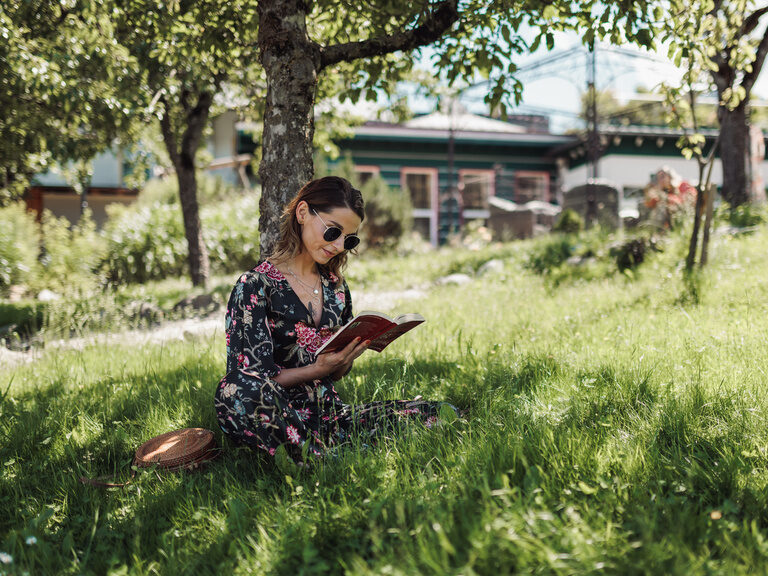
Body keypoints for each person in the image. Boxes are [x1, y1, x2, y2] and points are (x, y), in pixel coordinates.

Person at [214, 176, 455, 460]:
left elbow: (336, 372)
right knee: (234, 393)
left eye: (348, 239)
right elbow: (251, 379)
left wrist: (344, 359)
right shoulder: (254, 286)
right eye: (333, 232)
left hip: (329, 415)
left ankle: (317, 454)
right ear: (302, 213)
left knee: (432, 411)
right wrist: (316, 370)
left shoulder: (336, 288)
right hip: (275, 414)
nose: (339, 245)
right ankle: (313, 457)